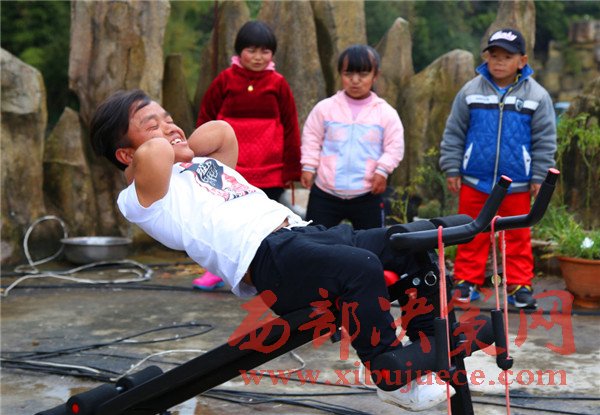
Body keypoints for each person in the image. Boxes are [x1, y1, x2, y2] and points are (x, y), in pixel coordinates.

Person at [90, 89, 496, 411]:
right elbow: (154, 154)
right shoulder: (143, 197)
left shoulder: (197, 165)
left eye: (168, 118)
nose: (169, 127)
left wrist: (182, 145)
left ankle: (428, 346)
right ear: (126, 155)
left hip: (305, 234)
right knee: (360, 267)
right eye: (152, 124)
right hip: (268, 259)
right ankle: (390, 373)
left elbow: (222, 132)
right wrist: (174, 146)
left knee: (409, 242)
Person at [439, 28, 557, 309]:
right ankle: (466, 280)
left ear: (522, 60)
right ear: (486, 58)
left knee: (518, 235)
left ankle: (520, 284)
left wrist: (539, 176)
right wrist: (452, 168)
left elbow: (545, 140)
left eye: (507, 56)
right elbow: (454, 132)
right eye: (494, 55)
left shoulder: (537, 96)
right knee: (470, 231)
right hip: (475, 180)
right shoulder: (470, 91)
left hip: (517, 182)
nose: (499, 61)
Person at [195, 20, 301, 290]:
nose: (258, 57)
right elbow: (207, 119)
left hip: (269, 169)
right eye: (251, 50)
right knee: (224, 221)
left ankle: (263, 272)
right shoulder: (225, 80)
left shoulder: (278, 84)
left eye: (265, 51)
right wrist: (200, 160)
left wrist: (291, 169)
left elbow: (291, 125)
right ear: (239, 51)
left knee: (267, 222)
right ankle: (218, 270)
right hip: (231, 167)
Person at [300, 44, 404, 230]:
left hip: (367, 193)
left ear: (375, 75)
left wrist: (383, 170)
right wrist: (308, 166)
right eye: (348, 74)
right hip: (325, 191)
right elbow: (311, 138)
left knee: (371, 242)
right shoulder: (325, 108)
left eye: (363, 74)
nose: (355, 80)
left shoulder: (385, 113)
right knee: (313, 239)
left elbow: (395, 146)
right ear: (340, 74)